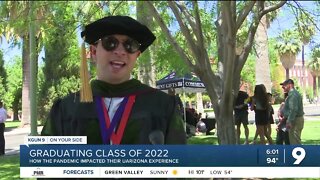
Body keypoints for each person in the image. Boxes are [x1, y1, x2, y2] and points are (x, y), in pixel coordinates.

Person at [41, 15, 186, 145]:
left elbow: (179, 167)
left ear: (137, 55)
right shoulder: (66, 108)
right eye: (110, 42)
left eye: (130, 45)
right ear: (93, 51)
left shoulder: (163, 105)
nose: (120, 51)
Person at [280, 79, 304, 145]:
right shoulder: (292, 94)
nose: (283, 87)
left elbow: (293, 109)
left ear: (290, 85)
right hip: (294, 119)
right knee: (293, 140)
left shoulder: (293, 95)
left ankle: (298, 154)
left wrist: (289, 121)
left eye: (284, 85)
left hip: (295, 120)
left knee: (295, 142)